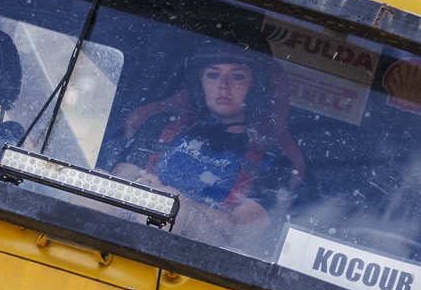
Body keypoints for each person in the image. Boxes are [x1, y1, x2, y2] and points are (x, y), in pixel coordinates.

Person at [112, 44, 297, 250]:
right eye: (213, 75)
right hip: (123, 237)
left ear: (254, 87)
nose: (223, 85)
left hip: (202, 258)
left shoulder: (273, 163)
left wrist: (171, 200)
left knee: (172, 208)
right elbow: (116, 186)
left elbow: (241, 231)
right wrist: (146, 191)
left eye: (237, 76)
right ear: (199, 82)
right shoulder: (160, 126)